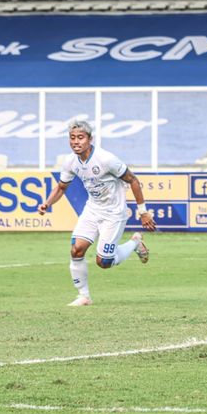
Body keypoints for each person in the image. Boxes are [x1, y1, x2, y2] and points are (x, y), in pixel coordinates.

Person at [38, 120, 156, 306]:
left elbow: (133, 180)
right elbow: (62, 187)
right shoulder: (70, 161)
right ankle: (84, 296)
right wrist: (47, 203)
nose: (76, 142)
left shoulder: (106, 159)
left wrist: (143, 211)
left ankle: (134, 243)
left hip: (114, 213)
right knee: (76, 249)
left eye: (80, 138)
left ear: (90, 139)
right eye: (72, 138)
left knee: (104, 262)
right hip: (92, 209)